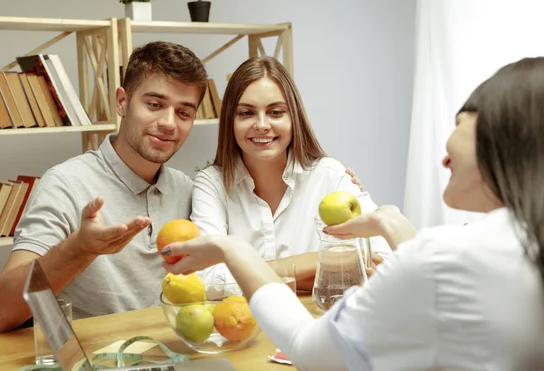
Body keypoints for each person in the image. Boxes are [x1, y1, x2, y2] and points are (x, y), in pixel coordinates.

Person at [162, 57, 544, 370]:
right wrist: (382, 231)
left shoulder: (335, 178)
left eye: (460, 125)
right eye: (246, 113)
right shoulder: (506, 244)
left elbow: (310, 347)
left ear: (504, 141)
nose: (443, 155)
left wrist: (235, 251)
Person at [0, 41, 208, 332]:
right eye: (154, 104)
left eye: (184, 113)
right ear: (122, 102)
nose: (169, 123)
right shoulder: (65, 183)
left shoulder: (188, 189)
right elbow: (2, 313)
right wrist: (78, 249)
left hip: (172, 353)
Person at [190, 56, 390, 289]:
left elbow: (382, 261)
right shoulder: (211, 184)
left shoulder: (330, 175)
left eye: (275, 112)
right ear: (230, 121)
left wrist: (247, 270)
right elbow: (206, 279)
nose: (262, 124)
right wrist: (321, 263)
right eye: (246, 113)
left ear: (293, 117)